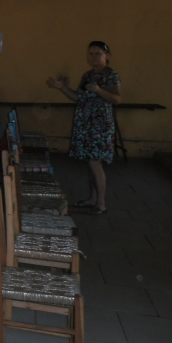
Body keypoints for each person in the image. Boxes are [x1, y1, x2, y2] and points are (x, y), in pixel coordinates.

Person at [47, 41, 121, 215]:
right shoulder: (88, 75)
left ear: (106, 55)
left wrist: (99, 91)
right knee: (90, 163)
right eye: (91, 53)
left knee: (95, 163)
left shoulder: (110, 75)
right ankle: (92, 198)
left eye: (98, 53)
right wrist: (62, 87)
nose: (94, 56)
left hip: (100, 124)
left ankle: (101, 202)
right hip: (84, 122)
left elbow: (117, 99)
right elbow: (77, 97)